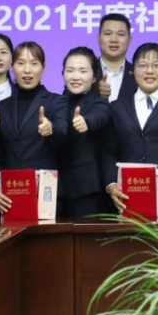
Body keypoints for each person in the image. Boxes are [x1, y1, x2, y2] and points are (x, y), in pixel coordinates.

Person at [102, 43, 158, 213]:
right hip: (127, 197)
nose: (149, 71)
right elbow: (108, 151)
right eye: (143, 65)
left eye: (156, 65)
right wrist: (111, 184)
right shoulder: (116, 107)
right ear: (133, 69)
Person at [0, 42, 69, 216]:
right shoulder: (1, 107)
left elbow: (63, 132)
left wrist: (50, 128)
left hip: (45, 193)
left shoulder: (56, 101)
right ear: (12, 66)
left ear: (43, 67)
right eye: (21, 63)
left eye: (34, 63)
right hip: (10, 195)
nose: (27, 70)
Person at [59, 47, 113, 218]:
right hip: (56, 190)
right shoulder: (57, 102)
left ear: (94, 77)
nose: (75, 76)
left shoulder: (99, 102)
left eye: (83, 71)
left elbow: (100, 115)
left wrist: (86, 122)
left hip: (87, 190)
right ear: (63, 73)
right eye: (70, 70)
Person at [97, 13, 137, 103]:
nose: (114, 40)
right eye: (108, 33)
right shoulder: (85, 72)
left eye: (120, 34)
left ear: (129, 40)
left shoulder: (138, 73)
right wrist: (91, 91)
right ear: (98, 38)